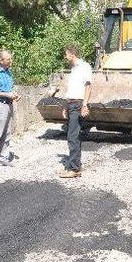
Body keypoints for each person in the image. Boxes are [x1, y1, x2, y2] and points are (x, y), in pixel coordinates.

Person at [60, 46, 93, 179]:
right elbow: (71, 89)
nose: (65, 57)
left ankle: (74, 169)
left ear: (72, 55)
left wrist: (84, 105)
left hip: (77, 104)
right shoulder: (74, 69)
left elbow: (89, 85)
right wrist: (65, 106)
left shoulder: (84, 67)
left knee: (73, 136)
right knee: (71, 135)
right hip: (71, 104)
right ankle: (73, 165)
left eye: (66, 55)